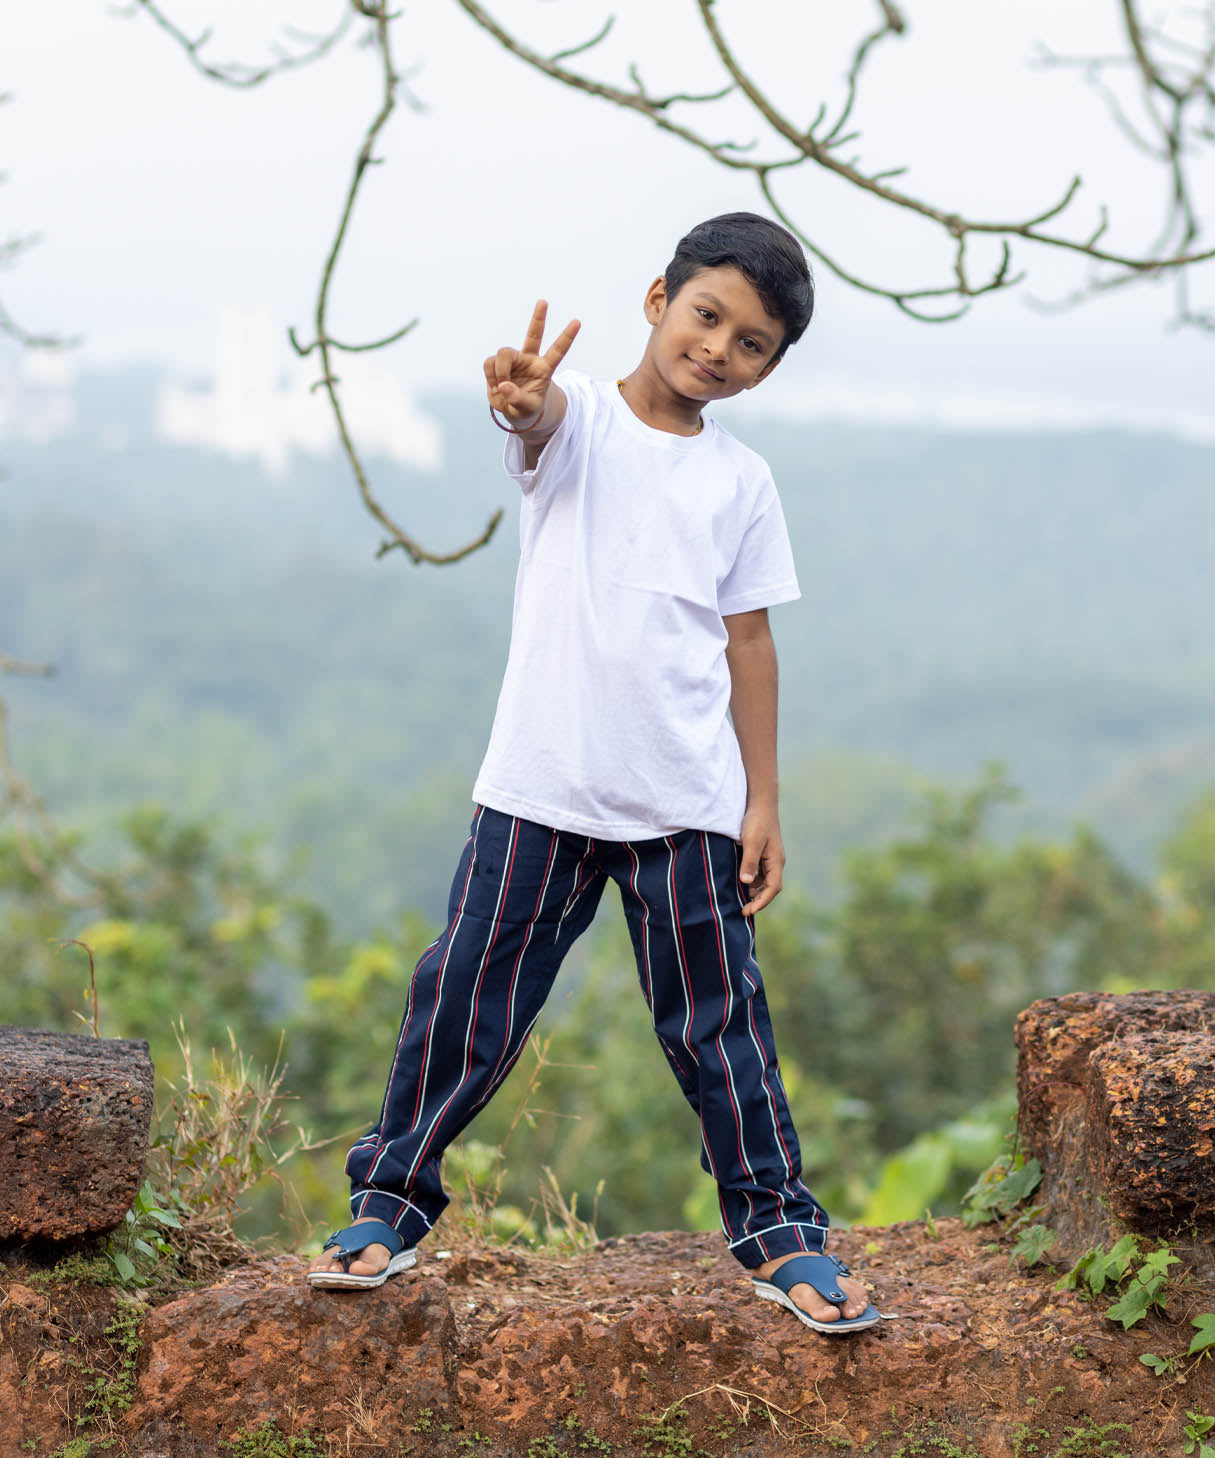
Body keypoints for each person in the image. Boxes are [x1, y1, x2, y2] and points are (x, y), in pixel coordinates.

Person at [306, 212, 880, 1334]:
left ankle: (778, 1234)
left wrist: (761, 800)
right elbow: (537, 421)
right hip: (541, 786)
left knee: (718, 1026)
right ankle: (387, 1203)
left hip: (686, 803)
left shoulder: (740, 482)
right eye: (705, 314)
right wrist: (521, 401)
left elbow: (748, 644)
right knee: (466, 995)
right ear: (656, 297)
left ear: (767, 368)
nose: (717, 347)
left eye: (750, 342)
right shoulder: (581, 432)